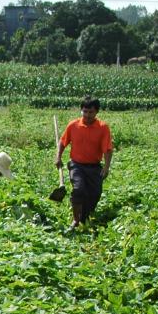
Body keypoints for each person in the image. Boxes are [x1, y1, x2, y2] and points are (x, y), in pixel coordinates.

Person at [54, 96, 113, 229]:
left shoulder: (103, 128)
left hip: (94, 166)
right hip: (77, 165)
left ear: (96, 112)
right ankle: (75, 220)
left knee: (94, 194)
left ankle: (84, 217)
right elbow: (63, 142)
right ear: (81, 111)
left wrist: (107, 167)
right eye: (84, 112)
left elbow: (108, 150)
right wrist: (58, 157)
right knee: (78, 189)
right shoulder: (73, 125)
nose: (87, 115)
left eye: (90, 112)